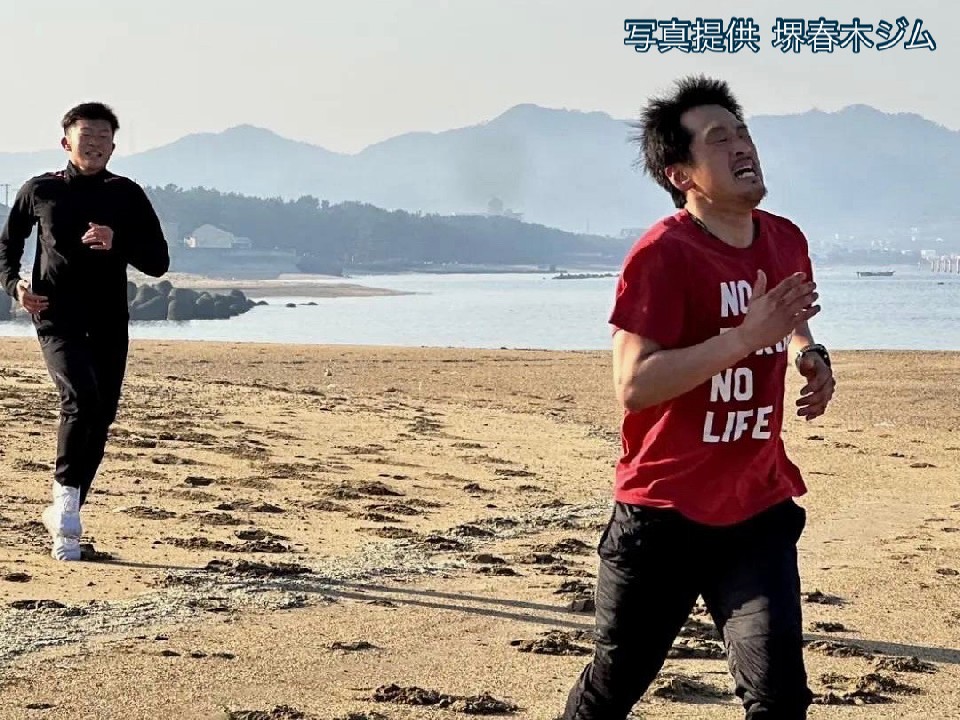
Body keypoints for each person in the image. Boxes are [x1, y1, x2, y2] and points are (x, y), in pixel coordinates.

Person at [562, 75, 836, 719]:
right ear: (681, 173)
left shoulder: (785, 239)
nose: (742, 146)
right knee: (612, 689)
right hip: (663, 515)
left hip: (757, 506)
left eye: (742, 132)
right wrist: (744, 338)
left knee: (779, 699)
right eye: (719, 139)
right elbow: (635, 384)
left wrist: (808, 354)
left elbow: (791, 319)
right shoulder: (662, 255)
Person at [0, 102, 169, 561]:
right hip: (56, 316)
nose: (94, 145)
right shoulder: (41, 189)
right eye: (86, 136)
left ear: (113, 147)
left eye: (103, 139)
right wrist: (15, 286)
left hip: (109, 319)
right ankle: (67, 516)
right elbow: (7, 246)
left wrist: (118, 241)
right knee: (81, 400)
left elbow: (158, 262)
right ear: (66, 142)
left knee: (101, 415)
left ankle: (65, 508)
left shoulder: (127, 194)